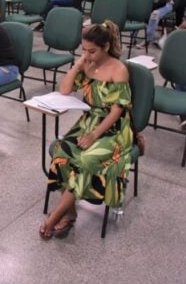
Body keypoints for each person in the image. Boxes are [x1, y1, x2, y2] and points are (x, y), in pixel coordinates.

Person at [39, 21, 133, 240]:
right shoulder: (87, 64)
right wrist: (79, 64)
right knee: (61, 150)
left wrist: (94, 135)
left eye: (92, 51)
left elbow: (117, 111)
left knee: (87, 160)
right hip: (89, 120)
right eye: (84, 50)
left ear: (106, 47)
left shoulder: (119, 70)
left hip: (114, 127)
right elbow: (64, 90)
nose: (88, 55)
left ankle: (56, 215)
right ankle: (70, 212)